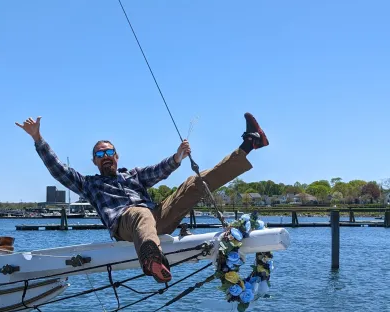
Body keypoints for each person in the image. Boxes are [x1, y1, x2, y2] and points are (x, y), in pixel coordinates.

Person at [16, 113, 268, 284]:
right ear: (94, 161)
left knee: (194, 183)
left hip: (155, 218)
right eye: (100, 153)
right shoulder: (89, 184)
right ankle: (152, 261)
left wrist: (178, 157)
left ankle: (250, 144)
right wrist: (38, 139)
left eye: (110, 151)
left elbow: (159, 170)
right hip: (125, 225)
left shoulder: (132, 175)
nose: (106, 155)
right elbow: (59, 170)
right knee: (139, 213)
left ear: (117, 156)